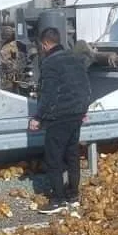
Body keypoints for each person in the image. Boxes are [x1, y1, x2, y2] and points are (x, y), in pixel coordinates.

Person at [29, 27, 92, 214]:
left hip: (59, 117)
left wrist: (38, 117)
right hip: (76, 115)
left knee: (53, 158)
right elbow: (86, 87)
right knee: (72, 155)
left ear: (45, 44)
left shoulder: (50, 63)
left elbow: (47, 94)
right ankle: (73, 195)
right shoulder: (75, 59)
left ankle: (57, 200)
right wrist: (83, 110)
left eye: (42, 46)